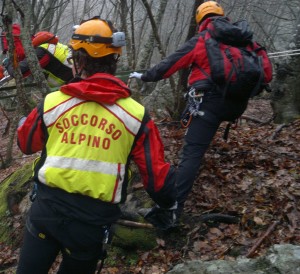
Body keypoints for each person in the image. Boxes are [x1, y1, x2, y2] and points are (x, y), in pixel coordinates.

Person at [16, 18, 177, 274]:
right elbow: (157, 178)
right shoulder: (136, 116)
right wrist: (168, 205)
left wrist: (26, 122)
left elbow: (25, 143)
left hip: (46, 213)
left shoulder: (52, 103)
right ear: (114, 60)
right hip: (91, 225)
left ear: (78, 61)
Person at [130, 1, 271, 219]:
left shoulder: (203, 40)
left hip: (209, 104)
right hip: (237, 105)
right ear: (224, 16)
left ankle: (173, 208)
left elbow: (170, 64)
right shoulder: (246, 40)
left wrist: (146, 76)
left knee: (192, 152)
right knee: (198, 142)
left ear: (200, 21)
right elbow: (267, 74)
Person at [5, 31, 73, 90]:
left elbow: (17, 72)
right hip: (72, 83)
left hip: (66, 86)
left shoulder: (42, 50)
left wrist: (7, 63)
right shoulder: (57, 46)